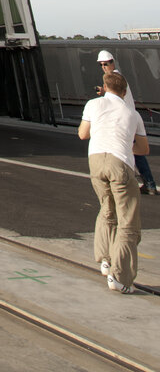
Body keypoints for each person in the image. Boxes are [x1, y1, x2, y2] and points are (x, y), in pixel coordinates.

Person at [80, 70, 149, 293]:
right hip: (120, 163)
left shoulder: (93, 104)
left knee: (106, 209)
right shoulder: (132, 114)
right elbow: (143, 149)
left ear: (105, 87)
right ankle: (120, 277)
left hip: (96, 161)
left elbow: (83, 134)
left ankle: (105, 259)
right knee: (127, 222)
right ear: (125, 91)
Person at [95, 50, 157, 194]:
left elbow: (116, 96)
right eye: (101, 65)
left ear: (112, 62)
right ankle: (146, 183)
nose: (104, 67)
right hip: (126, 119)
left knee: (134, 152)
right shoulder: (114, 77)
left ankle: (148, 183)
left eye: (106, 64)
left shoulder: (115, 77)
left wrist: (104, 93)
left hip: (126, 120)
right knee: (131, 151)